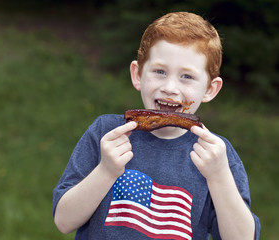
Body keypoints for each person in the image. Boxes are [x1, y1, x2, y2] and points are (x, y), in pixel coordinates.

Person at [52, 12, 261, 239]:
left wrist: (219, 177)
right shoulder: (106, 133)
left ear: (210, 89)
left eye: (187, 77)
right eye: (160, 72)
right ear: (138, 74)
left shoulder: (218, 155)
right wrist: (106, 170)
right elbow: (64, 221)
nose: (170, 87)